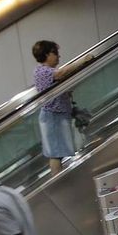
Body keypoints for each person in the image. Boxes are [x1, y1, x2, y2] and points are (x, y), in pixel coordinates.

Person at [31, 40, 91, 175]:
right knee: (55, 153)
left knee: (58, 151)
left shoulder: (47, 71)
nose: (59, 57)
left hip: (58, 115)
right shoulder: (42, 71)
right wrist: (82, 60)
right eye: (56, 53)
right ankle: (57, 179)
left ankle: (58, 177)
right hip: (53, 116)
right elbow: (61, 73)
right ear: (47, 54)